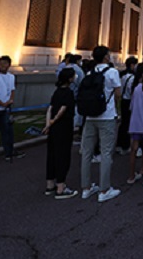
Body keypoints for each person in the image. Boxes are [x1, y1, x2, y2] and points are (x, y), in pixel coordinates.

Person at [80, 45, 122, 203]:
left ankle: (86, 188)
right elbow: (118, 93)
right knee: (106, 153)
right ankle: (104, 189)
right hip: (107, 116)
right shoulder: (112, 72)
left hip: (90, 117)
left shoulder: (90, 72)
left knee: (87, 152)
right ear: (106, 57)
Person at [43, 68, 77, 199]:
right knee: (63, 156)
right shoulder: (68, 92)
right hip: (64, 127)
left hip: (54, 129)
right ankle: (61, 187)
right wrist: (53, 121)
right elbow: (63, 109)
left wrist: (48, 124)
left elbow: (50, 108)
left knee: (51, 154)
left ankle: (49, 184)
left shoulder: (56, 92)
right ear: (69, 79)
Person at [116, 56, 138, 155]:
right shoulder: (132, 78)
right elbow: (132, 90)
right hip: (129, 100)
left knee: (123, 123)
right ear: (132, 65)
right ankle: (125, 145)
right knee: (127, 123)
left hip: (123, 100)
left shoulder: (123, 75)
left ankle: (119, 144)